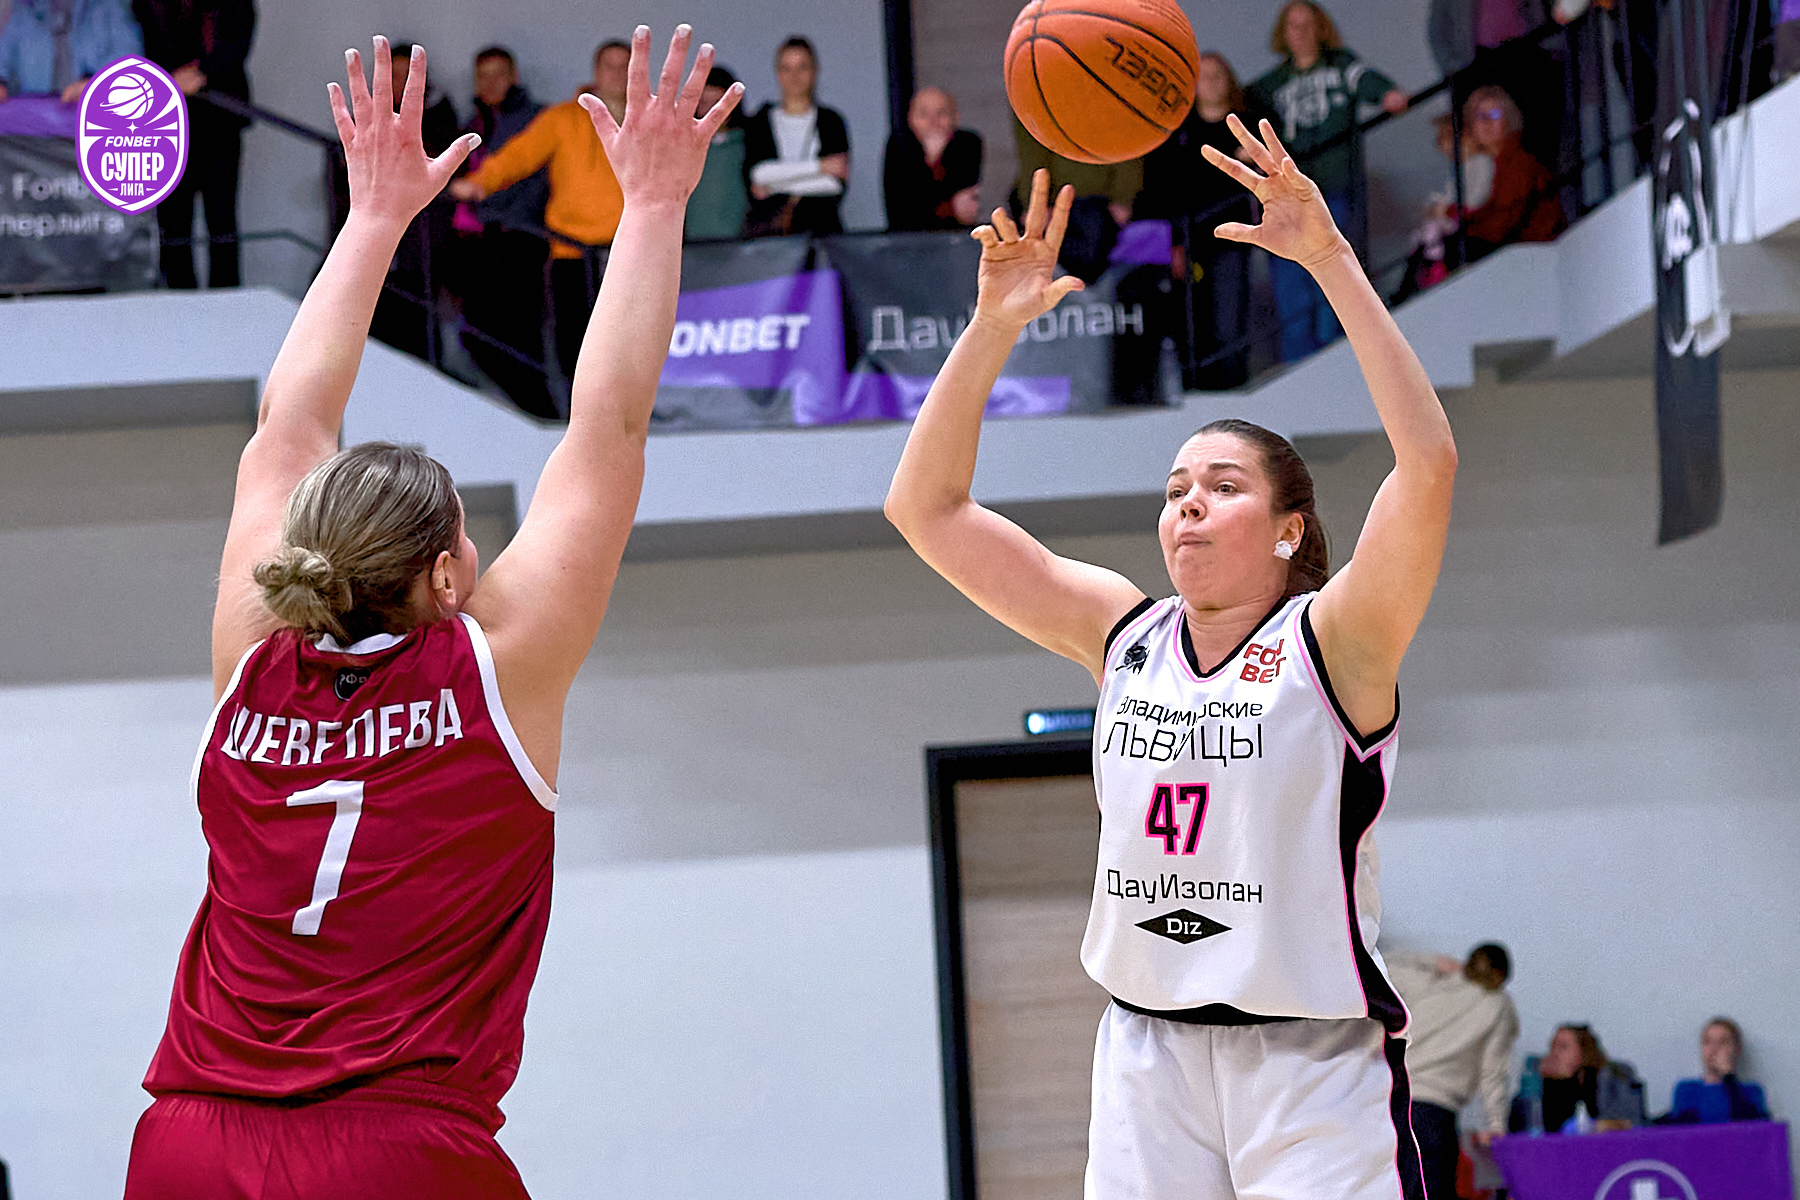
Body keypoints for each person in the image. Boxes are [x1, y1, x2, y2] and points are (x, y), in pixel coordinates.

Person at [120, 28, 741, 1198]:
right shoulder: (497, 670)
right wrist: (655, 205)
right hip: (396, 1149)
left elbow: (288, 427)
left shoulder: (250, 660)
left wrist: (371, 218)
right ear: (447, 578)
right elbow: (608, 424)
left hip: (190, 1144)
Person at [886, 114, 1457, 1199]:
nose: (1188, 502)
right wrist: (992, 327)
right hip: (1145, 1058)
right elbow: (927, 509)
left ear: (1289, 530)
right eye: (1175, 489)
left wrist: (1330, 259)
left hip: (1310, 1066)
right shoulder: (1123, 634)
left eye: (1223, 487)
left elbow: (1426, 464)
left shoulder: (1337, 640)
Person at [449, 39, 628, 392]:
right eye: (610, 65)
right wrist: (477, 184)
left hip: (630, 254)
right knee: (574, 343)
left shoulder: (650, 122)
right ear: (596, 71)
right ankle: (576, 416)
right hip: (572, 253)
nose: (618, 73)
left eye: (626, 66)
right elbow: (518, 155)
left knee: (631, 343)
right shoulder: (563, 118)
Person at [1247, 0, 1407, 362]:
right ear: (1283, 33)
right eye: (1293, 26)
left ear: (1321, 29)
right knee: (1292, 282)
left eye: (1308, 24)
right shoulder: (1271, 85)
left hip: (1336, 187)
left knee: (1335, 276)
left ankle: (1337, 356)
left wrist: (1387, 93)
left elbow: (1365, 79)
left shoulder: (1340, 65)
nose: (1301, 33)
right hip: (1290, 197)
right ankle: (1300, 362)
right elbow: (1240, 108)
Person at [1137, 52, 1257, 389]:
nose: (1212, 82)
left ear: (1230, 81)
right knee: (1191, 323)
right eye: (1203, 76)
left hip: (1233, 238)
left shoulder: (1246, 126)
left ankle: (1234, 393)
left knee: (1229, 324)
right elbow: (1161, 191)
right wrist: (1173, 243)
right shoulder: (1178, 132)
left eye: (1218, 75)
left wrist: (1255, 162)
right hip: (1188, 241)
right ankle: (1195, 392)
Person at [452, 45, 556, 420]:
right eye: (484, 76)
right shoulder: (473, 124)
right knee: (476, 335)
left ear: (514, 77)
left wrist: (490, 204)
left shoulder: (537, 119)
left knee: (520, 335)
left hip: (520, 237)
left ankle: (540, 413)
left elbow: (533, 180)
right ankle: (526, 412)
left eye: (499, 74)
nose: (491, 83)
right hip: (479, 243)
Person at [132, 0, 254, 290]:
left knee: (222, 219)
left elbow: (237, 42)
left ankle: (227, 299)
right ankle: (178, 297)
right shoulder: (147, 4)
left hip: (220, 120)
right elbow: (140, 45)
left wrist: (202, 72)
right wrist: (169, 79)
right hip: (166, 123)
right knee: (173, 221)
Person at [1387, 945, 1518, 1200]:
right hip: (1435, 1112)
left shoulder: (1429, 983)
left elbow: (1379, 964)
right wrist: (1495, 1123)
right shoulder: (1498, 1005)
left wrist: (1432, 961)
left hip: (1390, 1102)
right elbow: (1493, 1072)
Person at [368, 39, 462, 363]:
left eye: (405, 75)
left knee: (418, 330)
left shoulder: (440, 118)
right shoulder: (368, 118)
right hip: (378, 242)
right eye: (392, 75)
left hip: (422, 244)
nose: (399, 83)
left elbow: (439, 172)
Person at [742, 35, 849, 237]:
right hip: (772, 237)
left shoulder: (831, 121)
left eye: (802, 67)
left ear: (815, 71)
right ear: (778, 73)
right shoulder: (760, 122)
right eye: (787, 68)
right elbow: (757, 175)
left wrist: (775, 184)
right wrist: (819, 167)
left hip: (822, 233)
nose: (795, 76)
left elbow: (834, 184)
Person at [1012, 115, 1141, 283]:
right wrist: (1035, 205)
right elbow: (1031, 149)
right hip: (1063, 205)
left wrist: (1123, 198)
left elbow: (1126, 134)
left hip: (1097, 205)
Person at [1456, 85, 1563, 259]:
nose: (1487, 122)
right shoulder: (1483, 164)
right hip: (1511, 252)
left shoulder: (1519, 161)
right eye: (1480, 116)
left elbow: (1504, 221)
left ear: (1508, 119)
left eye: (1494, 114)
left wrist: (1462, 227)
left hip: (1535, 253)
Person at [1510, 1024, 1645, 1133]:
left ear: (1584, 1053)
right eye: (1552, 1047)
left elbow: (1631, 1124)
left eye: (1563, 1047)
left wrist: (1595, 1126)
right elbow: (1523, 1128)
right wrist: (1536, 1086)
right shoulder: (1538, 1086)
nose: (1554, 1053)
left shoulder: (1613, 1078)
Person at [0, 0, 140, 103]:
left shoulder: (109, 6)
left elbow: (131, 63)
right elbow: (4, 62)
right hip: (33, 123)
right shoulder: (22, 10)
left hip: (93, 120)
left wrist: (97, 86)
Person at [883, 85, 982, 232]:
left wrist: (936, 161)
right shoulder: (898, 146)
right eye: (923, 115)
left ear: (955, 117)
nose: (932, 122)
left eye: (941, 113)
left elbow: (966, 206)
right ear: (911, 119)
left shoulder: (968, 143)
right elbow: (902, 211)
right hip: (907, 239)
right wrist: (932, 159)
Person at [1664, 1018, 1770, 1123]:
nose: (1714, 1049)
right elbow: (1683, 1125)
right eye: (1707, 1042)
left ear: (1737, 1049)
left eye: (1722, 1042)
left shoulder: (1751, 1091)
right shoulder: (1687, 1089)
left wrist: (1729, 1078)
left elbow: (1750, 1125)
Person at [685, 64, 748, 240]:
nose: (711, 112)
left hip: (741, 244)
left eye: (717, 104)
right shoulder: (683, 148)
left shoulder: (749, 144)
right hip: (692, 245)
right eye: (705, 103)